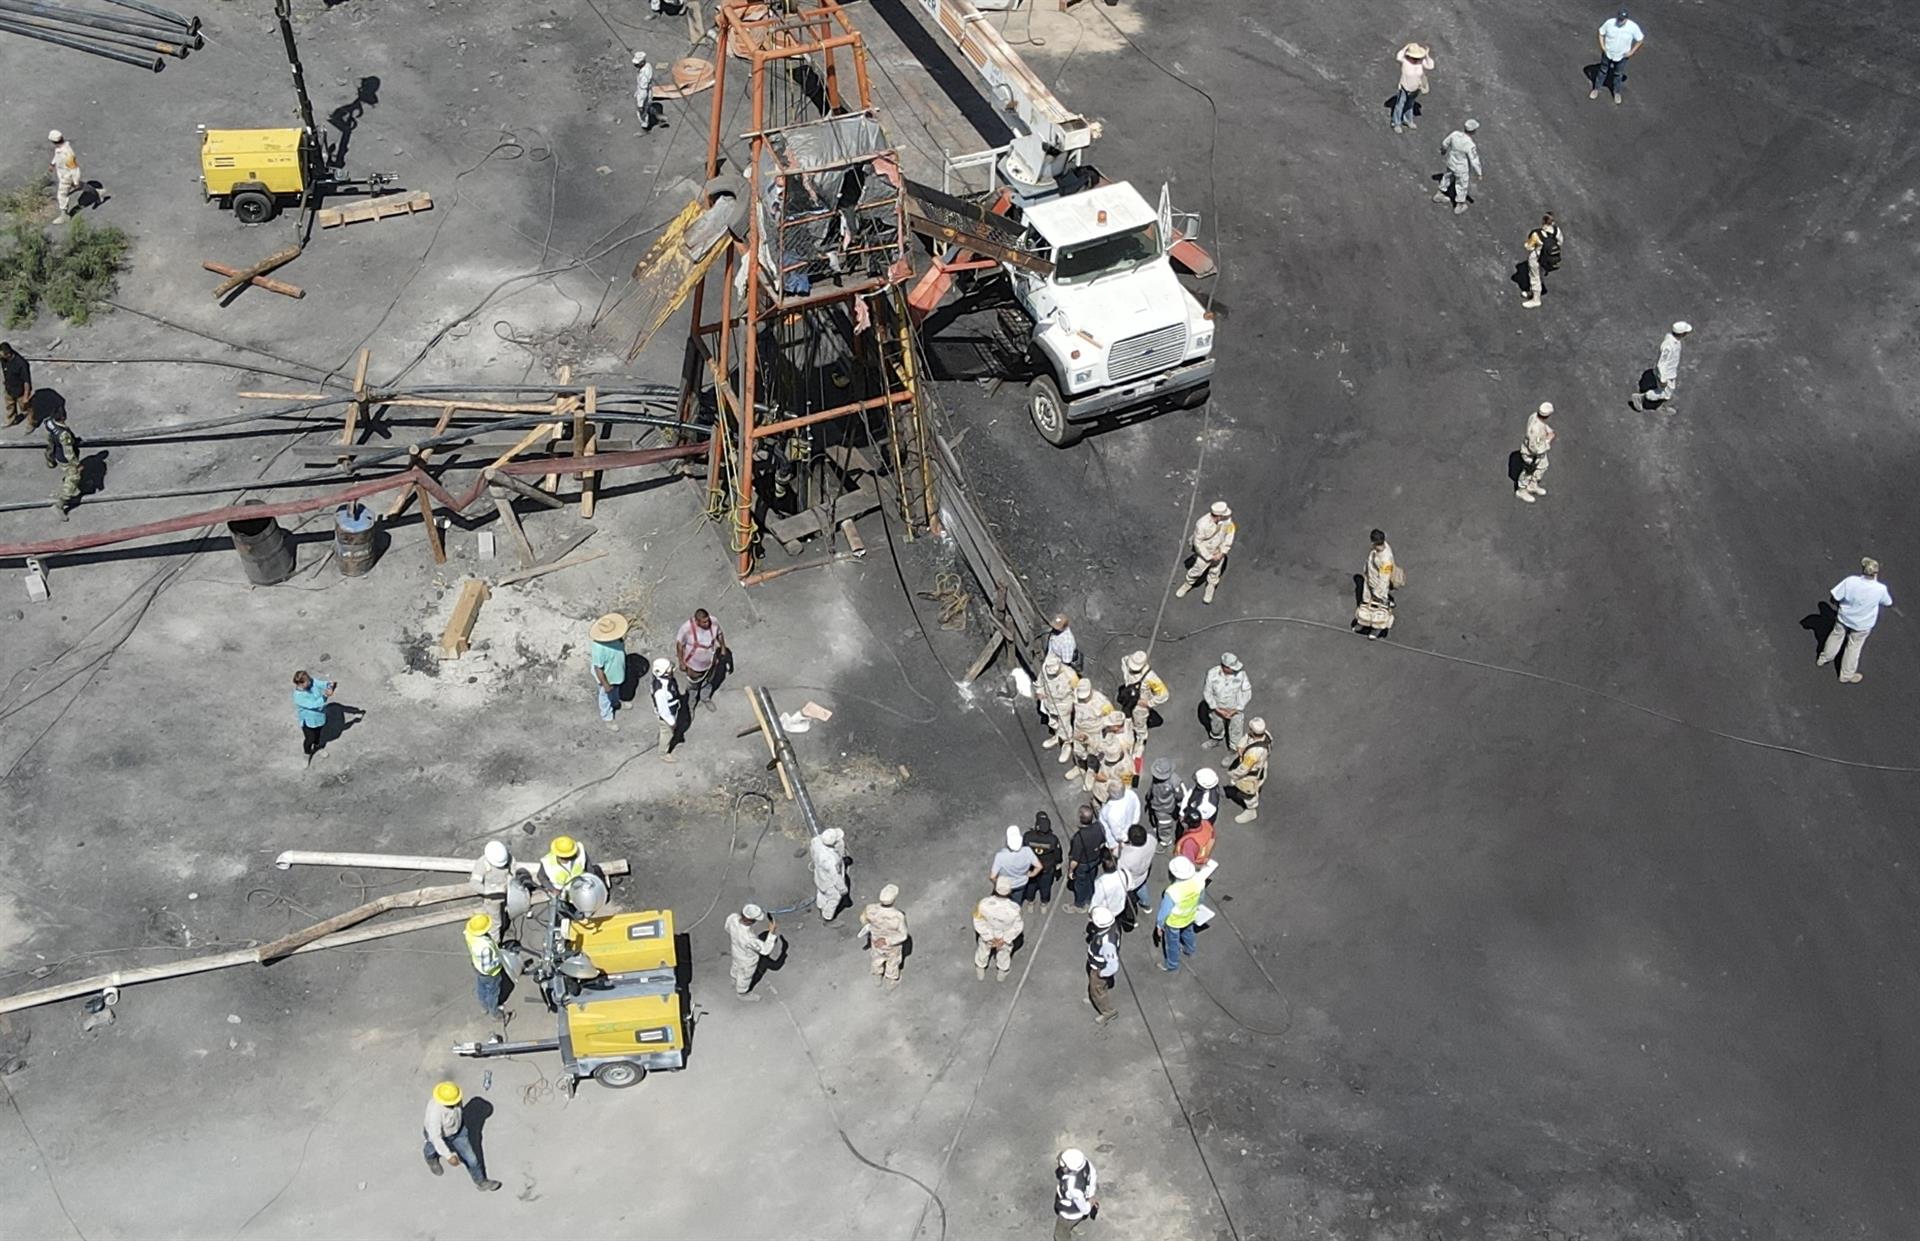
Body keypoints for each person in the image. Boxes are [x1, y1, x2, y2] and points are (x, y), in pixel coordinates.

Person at [1818, 558, 1894, 684]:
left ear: (1863, 569)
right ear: (1876, 573)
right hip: (1862, 624)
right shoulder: (1880, 589)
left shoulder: (1851, 581)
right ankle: (1846, 675)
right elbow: (1888, 602)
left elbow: (1835, 596)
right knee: (1854, 647)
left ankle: (1824, 658)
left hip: (1844, 617)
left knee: (1836, 636)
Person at [423, 1081, 501, 1191]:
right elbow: (436, 1138)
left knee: (472, 1160)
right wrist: (449, 1156)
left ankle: (481, 1182)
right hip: (437, 1136)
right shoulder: (435, 1114)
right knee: (430, 1149)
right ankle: (431, 1160)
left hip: (458, 1132)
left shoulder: (454, 1098)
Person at [1155, 855, 1219, 972]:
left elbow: (1164, 912)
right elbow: (1200, 899)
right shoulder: (1199, 881)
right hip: (1190, 916)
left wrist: (1159, 925)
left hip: (1174, 922)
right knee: (1188, 933)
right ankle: (1189, 949)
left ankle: (1172, 964)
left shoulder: (1172, 892)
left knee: (1172, 944)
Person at [1175, 501, 1236, 604]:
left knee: (1215, 571)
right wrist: (1208, 556)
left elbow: (1229, 535)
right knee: (1196, 570)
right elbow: (1197, 543)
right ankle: (1188, 583)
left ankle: (1211, 585)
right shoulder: (1202, 524)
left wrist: (1222, 552)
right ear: (1218, 516)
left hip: (1218, 551)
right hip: (1205, 553)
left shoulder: (1228, 522)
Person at [1628, 321, 1690, 412]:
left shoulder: (1675, 342)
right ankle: (1641, 398)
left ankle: (1657, 404)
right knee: (1665, 394)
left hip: (1670, 372)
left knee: (1667, 391)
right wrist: (1663, 379)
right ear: (1682, 333)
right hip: (1666, 374)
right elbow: (1662, 363)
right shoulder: (1668, 346)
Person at [972, 876, 1024, 982]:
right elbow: (1017, 927)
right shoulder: (1014, 908)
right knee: (1004, 953)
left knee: (983, 950)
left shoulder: (983, 904)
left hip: (988, 933)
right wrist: (1005, 939)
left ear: (995, 888)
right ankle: (1002, 970)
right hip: (1003, 936)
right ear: (1010, 891)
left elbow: (977, 920)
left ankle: (980, 967)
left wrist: (988, 936)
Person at [471, 840, 531, 931]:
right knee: (496, 923)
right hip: (493, 899)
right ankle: (495, 939)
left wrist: (517, 877)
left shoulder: (509, 858)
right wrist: (493, 890)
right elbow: (474, 884)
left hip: (508, 893)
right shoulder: (482, 864)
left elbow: (514, 870)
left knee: (506, 914)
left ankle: (504, 925)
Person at [674, 608, 728, 705]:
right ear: (697, 621)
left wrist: (723, 648)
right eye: (704, 622)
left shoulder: (714, 622)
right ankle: (691, 703)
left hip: (711, 661)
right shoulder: (687, 629)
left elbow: (719, 634)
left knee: (709, 681)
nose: (707, 624)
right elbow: (679, 645)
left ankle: (705, 697)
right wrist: (681, 662)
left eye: (707, 620)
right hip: (694, 665)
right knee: (693, 685)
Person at [728, 904, 781, 1000]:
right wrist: (771, 933)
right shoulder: (749, 938)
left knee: (735, 966)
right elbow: (765, 950)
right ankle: (742, 993)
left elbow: (727, 928)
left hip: (736, 951)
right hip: (747, 961)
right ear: (751, 921)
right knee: (745, 977)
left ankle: (733, 979)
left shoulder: (732, 918)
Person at [858, 884, 909, 986]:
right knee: (893, 962)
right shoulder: (898, 916)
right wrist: (888, 941)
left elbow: (863, 920)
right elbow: (903, 935)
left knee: (877, 959)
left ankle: (877, 975)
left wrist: (872, 929)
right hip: (892, 945)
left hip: (876, 941)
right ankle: (891, 979)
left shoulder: (870, 909)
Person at [1592, 8, 1644, 104]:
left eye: (1622, 20)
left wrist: (1632, 52)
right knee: (1603, 71)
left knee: (1618, 74)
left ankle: (1616, 93)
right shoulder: (1609, 23)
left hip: (1622, 56)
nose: (1620, 21)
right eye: (1619, 19)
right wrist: (1602, 46)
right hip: (1608, 53)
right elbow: (1601, 33)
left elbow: (1640, 39)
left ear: (1626, 19)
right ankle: (1596, 89)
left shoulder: (1633, 27)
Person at [1068, 680, 1114, 789]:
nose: (1083, 699)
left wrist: (1104, 731)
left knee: (1093, 752)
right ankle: (1081, 766)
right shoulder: (1074, 696)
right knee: (1079, 751)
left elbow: (1110, 717)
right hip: (1079, 729)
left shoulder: (1101, 701)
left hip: (1094, 732)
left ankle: (1091, 770)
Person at [1200, 652, 1252, 750]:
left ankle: (1234, 749)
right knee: (1216, 726)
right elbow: (1207, 693)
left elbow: (1247, 692)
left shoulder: (1241, 675)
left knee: (1236, 729)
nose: (1235, 670)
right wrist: (1217, 709)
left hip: (1235, 708)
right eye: (1232, 668)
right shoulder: (1212, 674)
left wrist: (1237, 709)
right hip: (1217, 708)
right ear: (1225, 667)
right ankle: (1216, 739)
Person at [1115, 649, 1169, 740]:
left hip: (1140, 704)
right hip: (1130, 696)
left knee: (1139, 724)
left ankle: (1141, 738)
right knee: (1127, 713)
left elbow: (1164, 694)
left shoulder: (1150, 677)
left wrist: (1149, 703)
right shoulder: (1126, 661)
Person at [463, 912, 508, 1023]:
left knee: (481, 986)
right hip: (490, 973)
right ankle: (494, 1013)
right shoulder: (484, 947)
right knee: (493, 992)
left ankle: (484, 1006)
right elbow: (488, 967)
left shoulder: (469, 933)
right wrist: (500, 959)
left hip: (477, 966)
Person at [1354, 530, 1398, 640]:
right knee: (1366, 605)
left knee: (1379, 610)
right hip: (1370, 581)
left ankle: (1376, 629)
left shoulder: (1386, 559)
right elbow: (1369, 562)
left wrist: (1378, 593)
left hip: (1378, 587)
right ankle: (1363, 622)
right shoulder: (1375, 550)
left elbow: (1384, 578)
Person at [1432, 119, 1481, 215]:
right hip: (1461, 168)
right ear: (1473, 131)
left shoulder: (1455, 134)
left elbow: (1445, 143)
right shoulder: (1470, 144)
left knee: (1447, 177)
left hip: (1451, 163)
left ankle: (1439, 194)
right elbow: (1474, 160)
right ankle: (1459, 205)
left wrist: (1443, 150)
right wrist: (1479, 173)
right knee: (1462, 185)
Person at [1226, 718, 1271, 823]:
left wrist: (1234, 775)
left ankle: (1251, 811)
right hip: (1259, 765)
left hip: (1251, 774)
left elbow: (1244, 768)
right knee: (1242, 787)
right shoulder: (1265, 736)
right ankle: (1239, 792)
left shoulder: (1254, 753)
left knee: (1249, 793)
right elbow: (1247, 737)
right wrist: (1241, 746)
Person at [588, 613, 629, 729]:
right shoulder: (598, 648)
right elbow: (598, 668)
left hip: (617, 672)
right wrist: (605, 684)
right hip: (606, 676)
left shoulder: (618, 639)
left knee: (616, 689)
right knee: (605, 696)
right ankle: (607, 717)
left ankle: (615, 702)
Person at [1037, 653, 1080, 757]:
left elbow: (1077, 691)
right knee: (1052, 722)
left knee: (1065, 727)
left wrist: (1076, 706)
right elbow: (1040, 682)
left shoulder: (1070, 674)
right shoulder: (1044, 668)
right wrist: (1040, 691)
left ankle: (1067, 743)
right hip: (1049, 702)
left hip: (1064, 705)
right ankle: (1057, 736)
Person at [291, 670, 336, 764]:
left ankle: (317, 747)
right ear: (301, 683)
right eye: (307, 681)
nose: (310, 682)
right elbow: (313, 705)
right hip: (309, 721)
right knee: (310, 739)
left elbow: (322, 684)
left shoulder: (311, 682)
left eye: (309, 679)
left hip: (319, 717)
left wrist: (330, 685)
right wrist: (325, 696)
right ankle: (307, 753)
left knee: (318, 735)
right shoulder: (298, 697)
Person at [42, 406, 80, 519]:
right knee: (74, 478)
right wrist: (76, 465)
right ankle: (60, 504)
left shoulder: (50, 422)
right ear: (63, 417)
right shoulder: (63, 434)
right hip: (65, 458)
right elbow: (69, 452)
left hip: (56, 452)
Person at [1085, 907, 1121, 1024]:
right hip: (1099, 967)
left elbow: (1113, 966)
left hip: (1099, 969)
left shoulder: (1107, 944)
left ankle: (1108, 1012)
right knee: (1100, 988)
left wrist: (1101, 973)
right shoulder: (1111, 929)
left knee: (1097, 991)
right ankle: (1097, 996)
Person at [989, 825, 1043, 904]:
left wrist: (999, 883)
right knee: (1016, 902)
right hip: (1021, 883)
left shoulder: (1001, 856)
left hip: (1005, 885)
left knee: (1001, 903)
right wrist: (1031, 874)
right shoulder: (1028, 851)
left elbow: (992, 876)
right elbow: (1039, 866)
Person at [1067, 805, 1106, 910]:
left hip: (1083, 864)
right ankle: (1089, 899)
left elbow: (1075, 860)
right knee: (1091, 880)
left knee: (1080, 884)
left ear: (1080, 818)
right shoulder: (1099, 827)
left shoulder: (1078, 837)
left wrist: (1070, 871)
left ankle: (1079, 904)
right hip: (1095, 859)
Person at [1053, 1148, 1099, 1238]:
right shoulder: (1085, 1163)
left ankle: (1067, 1230)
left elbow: (1084, 1209)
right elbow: (1093, 1176)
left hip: (1070, 1213)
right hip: (1082, 1200)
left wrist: (1089, 1204)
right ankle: (1072, 1226)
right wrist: (1091, 1195)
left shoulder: (1072, 1187)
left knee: (1060, 1234)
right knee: (1070, 1224)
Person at [1116, 823, 1155, 927]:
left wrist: (1120, 848)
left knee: (1129, 900)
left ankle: (1131, 917)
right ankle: (1146, 905)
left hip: (1132, 880)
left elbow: (1120, 870)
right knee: (1142, 888)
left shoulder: (1127, 857)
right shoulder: (1152, 840)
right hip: (1144, 872)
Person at [1515, 402, 1555, 503]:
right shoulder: (1535, 430)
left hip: (1538, 454)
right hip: (1531, 455)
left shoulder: (1534, 416)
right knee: (1528, 472)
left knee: (1542, 467)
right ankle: (1521, 490)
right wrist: (1548, 441)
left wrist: (1548, 431)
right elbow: (1534, 448)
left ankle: (1532, 485)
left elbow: (1544, 426)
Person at [1390, 42, 1433, 134]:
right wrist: (1405, 48)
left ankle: (1407, 120)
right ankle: (1396, 123)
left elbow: (1430, 66)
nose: (1415, 59)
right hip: (1404, 87)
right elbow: (1398, 56)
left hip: (1416, 88)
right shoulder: (1405, 60)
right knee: (1400, 105)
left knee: (1410, 104)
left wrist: (1427, 55)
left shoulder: (1421, 62)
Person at [1023, 811, 1062, 908]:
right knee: (1046, 886)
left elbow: (1023, 850)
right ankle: (1044, 904)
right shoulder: (1052, 839)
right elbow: (1057, 854)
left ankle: (1030, 902)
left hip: (1032, 866)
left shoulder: (1028, 836)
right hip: (1047, 868)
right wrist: (1058, 864)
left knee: (1030, 885)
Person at [650, 657, 686, 761]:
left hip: (673, 710)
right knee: (667, 733)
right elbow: (663, 710)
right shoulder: (661, 691)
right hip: (666, 716)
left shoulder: (665, 681)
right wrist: (671, 722)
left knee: (668, 731)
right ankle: (663, 753)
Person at [1520, 214, 1559, 309]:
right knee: (1540, 274)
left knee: (1534, 278)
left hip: (1536, 258)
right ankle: (1535, 291)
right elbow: (1560, 242)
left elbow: (1528, 247)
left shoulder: (1536, 234)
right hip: (1547, 258)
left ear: (1543, 222)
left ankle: (1536, 299)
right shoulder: (1556, 231)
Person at [811, 827, 848, 921]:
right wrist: (842, 888)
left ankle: (820, 905)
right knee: (835, 898)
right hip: (829, 882)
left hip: (819, 875)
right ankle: (827, 917)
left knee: (821, 891)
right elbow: (835, 876)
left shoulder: (816, 841)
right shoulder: (830, 860)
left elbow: (813, 853)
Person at [1145, 757, 1180, 850]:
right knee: (1158, 820)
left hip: (1165, 808)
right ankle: (1158, 828)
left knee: (1165, 824)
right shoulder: (1156, 778)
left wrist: (1180, 807)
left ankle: (1165, 841)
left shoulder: (1175, 781)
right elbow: (1152, 786)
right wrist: (1149, 795)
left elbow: (1180, 795)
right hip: (1155, 804)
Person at [1098, 780, 1142, 850]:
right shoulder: (1131, 794)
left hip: (1115, 840)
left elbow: (1117, 834)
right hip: (1129, 829)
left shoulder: (1111, 812)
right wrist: (1133, 824)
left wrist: (1125, 839)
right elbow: (1137, 809)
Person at [48, 130, 82, 221]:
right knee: (76, 187)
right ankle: (94, 191)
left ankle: (64, 215)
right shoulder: (60, 149)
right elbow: (57, 156)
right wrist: (52, 164)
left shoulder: (67, 153)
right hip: (63, 174)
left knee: (61, 195)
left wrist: (76, 181)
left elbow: (74, 169)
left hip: (67, 177)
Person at [1090, 854, 1130, 928]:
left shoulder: (1100, 882)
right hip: (1120, 907)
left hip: (1106, 911)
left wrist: (1091, 913)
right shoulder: (1125, 873)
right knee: (1117, 924)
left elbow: (1096, 900)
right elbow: (1130, 886)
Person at [1179, 767, 1221, 832]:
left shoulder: (1208, 804)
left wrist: (1185, 818)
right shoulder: (1201, 787)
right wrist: (1182, 812)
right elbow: (1189, 794)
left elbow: (1198, 818)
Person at [0, 342, 31, 427]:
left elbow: (27, 381)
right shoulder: (4, 359)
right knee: (9, 405)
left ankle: (31, 423)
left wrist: (26, 396)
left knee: (26, 408)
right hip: (9, 387)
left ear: (8, 354)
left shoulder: (21, 364)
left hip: (20, 391)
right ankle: (11, 419)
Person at [632, 51, 657, 132]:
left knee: (642, 111)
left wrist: (640, 104)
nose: (635, 65)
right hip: (648, 90)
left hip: (643, 92)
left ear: (642, 63)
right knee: (647, 106)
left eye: (637, 63)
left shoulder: (643, 75)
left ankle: (645, 125)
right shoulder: (648, 66)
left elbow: (643, 90)